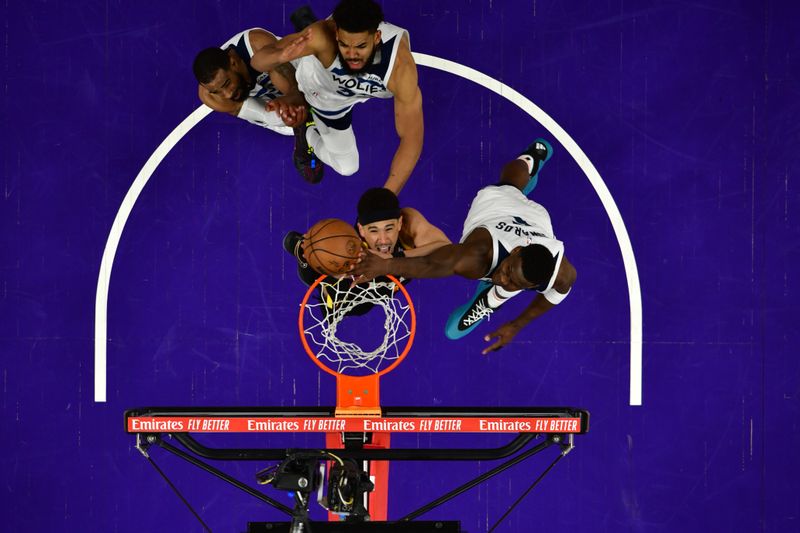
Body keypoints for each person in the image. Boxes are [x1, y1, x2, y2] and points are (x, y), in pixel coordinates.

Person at [350, 139, 577, 354]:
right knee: (511, 182)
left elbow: (557, 292)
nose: (501, 279)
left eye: (515, 284)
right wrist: (386, 265)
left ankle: (493, 299)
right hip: (495, 207)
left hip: (538, 223)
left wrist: (516, 324)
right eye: (507, 272)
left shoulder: (562, 274)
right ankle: (531, 159)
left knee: (480, 309)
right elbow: (431, 263)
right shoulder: (476, 256)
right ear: (516, 251)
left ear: (536, 285)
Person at [252, 0, 424, 194]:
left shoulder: (400, 68)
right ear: (336, 35)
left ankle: (306, 28)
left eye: (360, 46)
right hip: (323, 91)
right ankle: (306, 130)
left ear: (377, 38)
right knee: (347, 167)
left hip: (346, 87)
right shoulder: (320, 37)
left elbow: (411, 136)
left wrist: (387, 197)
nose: (352, 55)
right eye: (344, 45)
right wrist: (281, 56)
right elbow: (258, 61)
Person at [192, 28, 323, 183]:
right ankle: (302, 131)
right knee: (281, 119)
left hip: (293, 73)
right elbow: (256, 112)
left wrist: (294, 100)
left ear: (233, 63)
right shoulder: (209, 96)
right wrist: (288, 115)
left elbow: (294, 89)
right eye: (217, 91)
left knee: (316, 92)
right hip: (266, 100)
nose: (226, 94)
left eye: (227, 83)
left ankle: (304, 141)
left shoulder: (256, 45)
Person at [284, 187, 450, 288]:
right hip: (356, 287)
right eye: (374, 231)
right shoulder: (351, 250)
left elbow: (447, 250)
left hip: (392, 274)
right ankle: (302, 249)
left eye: (389, 228)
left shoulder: (409, 221)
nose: (383, 240)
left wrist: (391, 259)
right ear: (361, 230)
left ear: (399, 223)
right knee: (344, 303)